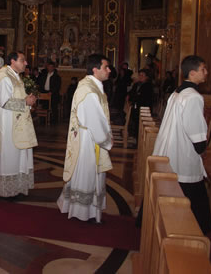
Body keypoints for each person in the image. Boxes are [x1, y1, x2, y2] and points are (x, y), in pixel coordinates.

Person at [153, 55, 211, 234]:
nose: (206, 72)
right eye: (203, 69)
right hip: (182, 155)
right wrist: (202, 149)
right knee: (189, 199)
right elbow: (195, 129)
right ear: (193, 73)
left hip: (171, 149)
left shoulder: (178, 92)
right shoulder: (193, 97)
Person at [57, 54, 114, 223]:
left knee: (87, 174)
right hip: (88, 141)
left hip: (89, 137)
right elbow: (94, 120)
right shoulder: (88, 90)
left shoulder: (93, 86)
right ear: (95, 69)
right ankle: (83, 211)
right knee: (86, 174)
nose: (109, 70)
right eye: (106, 67)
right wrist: (107, 139)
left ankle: (83, 209)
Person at [0, 51, 38, 198]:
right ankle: (6, 191)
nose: (26, 63)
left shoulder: (15, 76)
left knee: (19, 157)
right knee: (10, 157)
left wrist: (27, 100)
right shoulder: (4, 77)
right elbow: (5, 102)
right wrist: (25, 102)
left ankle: (16, 189)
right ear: (13, 62)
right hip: (8, 125)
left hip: (17, 123)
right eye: (23, 60)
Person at [127, 69, 153, 139]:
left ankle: (139, 138)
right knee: (135, 121)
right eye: (140, 75)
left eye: (142, 75)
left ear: (146, 77)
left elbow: (145, 97)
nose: (140, 76)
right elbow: (132, 94)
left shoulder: (148, 85)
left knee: (139, 123)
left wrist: (137, 95)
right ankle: (134, 136)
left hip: (144, 108)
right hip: (136, 106)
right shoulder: (136, 84)